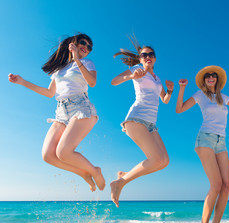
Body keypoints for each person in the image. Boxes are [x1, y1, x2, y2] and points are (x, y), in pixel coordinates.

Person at [8, 33, 105, 192]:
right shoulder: (59, 69)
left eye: (89, 47)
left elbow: (92, 82)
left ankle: (95, 171)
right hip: (61, 112)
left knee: (63, 152)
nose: (86, 48)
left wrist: (76, 59)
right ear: (73, 43)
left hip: (80, 107)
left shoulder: (87, 62)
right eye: (83, 43)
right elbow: (49, 92)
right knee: (48, 155)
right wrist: (22, 82)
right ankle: (83, 173)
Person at [176, 66, 229, 223]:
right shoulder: (200, 95)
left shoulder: (223, 97)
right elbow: (179, 109)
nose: (210, 77)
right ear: (204, 80)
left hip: (221, 141)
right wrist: (182, 89)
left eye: (213, 75)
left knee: (226, 186)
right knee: (216, 184)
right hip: (205, 139)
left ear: (217, 79)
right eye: (207, 76)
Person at [110, 37, 174, 207]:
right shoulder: (137, 69)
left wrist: (171, 90)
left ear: (155, 58)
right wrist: (131, 76)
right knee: (155, 158)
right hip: (136, 119)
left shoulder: (157, 79)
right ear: (140, 59)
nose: (148, 57)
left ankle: (125, 175)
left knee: (164, 161)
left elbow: (165, 100)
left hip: (151, 125)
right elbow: (114, 81)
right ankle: (120, 182)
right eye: (144, 54)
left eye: (151, 54)